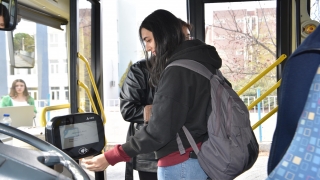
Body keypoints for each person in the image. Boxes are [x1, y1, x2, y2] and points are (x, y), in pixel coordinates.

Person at [83, 9, 224, 179]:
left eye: (149, 40)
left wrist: (111, 156)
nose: (148, 47)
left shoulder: (177, 70)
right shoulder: (204, 64)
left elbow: (160, 129)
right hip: (203, 153)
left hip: (179, 159)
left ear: (165, 34)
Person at [120, 19, 193, 180]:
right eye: (146, 41)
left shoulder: (191, 67)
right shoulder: (140, 70)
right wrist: (160, 110)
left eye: (187, 36)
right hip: (151, 156)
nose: (186, 41)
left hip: (188, 150)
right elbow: (128, 109)